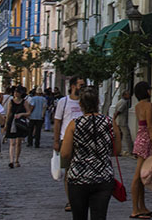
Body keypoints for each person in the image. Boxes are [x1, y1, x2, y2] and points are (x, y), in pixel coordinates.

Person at [61, 86, 121, 220]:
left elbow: (65, 153)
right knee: (99, 216)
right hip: (103, 177)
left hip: (78, 177)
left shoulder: (74, 124)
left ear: (81, 104)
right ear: (97, 103)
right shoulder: (110, 123)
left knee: (79, 216)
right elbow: (117, 150)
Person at [130, 81, 152, 219]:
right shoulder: (148, 106)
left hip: (141, 140)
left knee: (143, 176)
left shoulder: (138, 106)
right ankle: (135, 209)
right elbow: (150, 126)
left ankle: (142, 207)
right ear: (147, 91)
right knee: (138, 176)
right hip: (146, 142)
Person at [54, 76, 86, 213]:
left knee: (83, 171)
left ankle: (82, 198)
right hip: (66, 140)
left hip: (84, 141)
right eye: (81, 85)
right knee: (68, 172)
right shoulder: (64, 101)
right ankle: (71, 200)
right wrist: (56, 141)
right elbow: (57, 121)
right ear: (73, 86)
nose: (83, 88)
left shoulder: (85, 102)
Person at [5, 85, 32, 169]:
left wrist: (21, 114)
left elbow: (29, 112)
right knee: (12, 142)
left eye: (17, 92)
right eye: (15, 92)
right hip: (12, 122)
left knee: (18, 143)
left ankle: (16, 159)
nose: (16, 94)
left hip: (20, 123)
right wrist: (6, 124)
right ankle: (11, 160)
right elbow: (8, 113)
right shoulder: (11, 101)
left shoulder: (24, 102)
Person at [113, 90, 133, 156]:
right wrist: (114, 118)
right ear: (124, 95)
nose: (129, 96)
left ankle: (118, 150)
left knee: (120, 136)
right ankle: (131, 150)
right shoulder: (124, 102)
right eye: (128, 94)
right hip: (122, 121)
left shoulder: (120, 101)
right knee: (127, 136)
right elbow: (118, 111)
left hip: (119, 121)